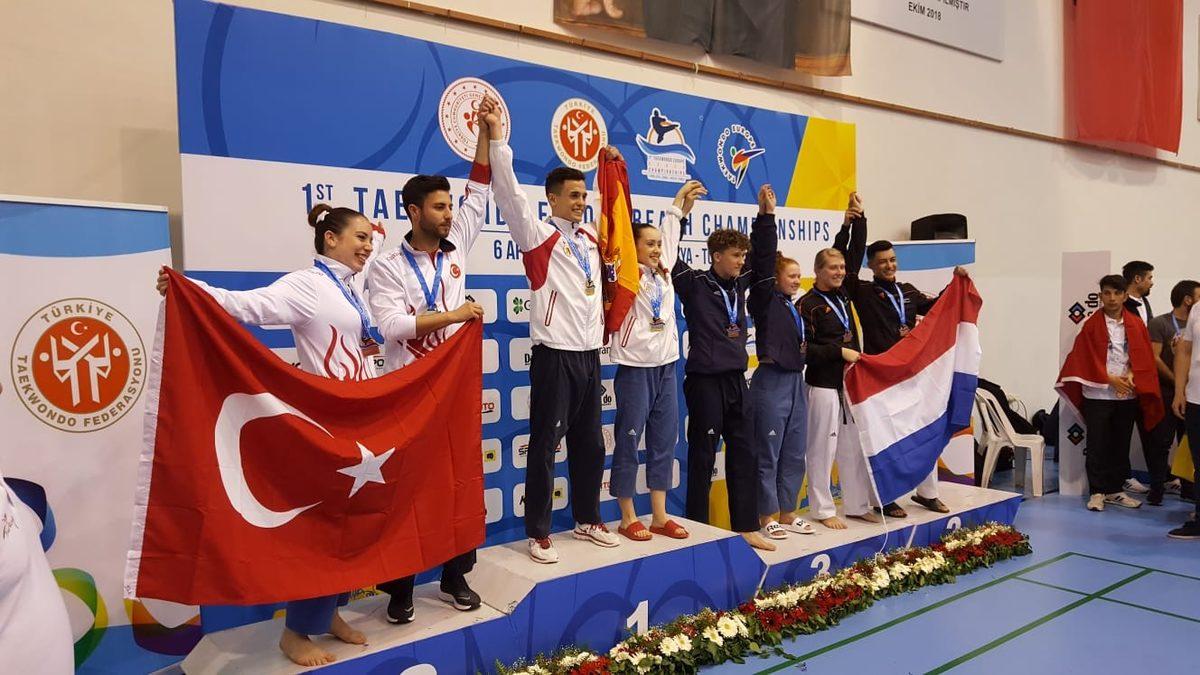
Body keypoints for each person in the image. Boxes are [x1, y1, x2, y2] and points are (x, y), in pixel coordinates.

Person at [156, 203, 383, 666]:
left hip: (356, 421)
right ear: (331, 240)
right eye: (360, 237)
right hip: (326, 426)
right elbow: (249, 305)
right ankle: (296, 631)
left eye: (370, 238)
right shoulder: (307, 285)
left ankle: (328, 612)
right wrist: (189, 288)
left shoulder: (350, 286)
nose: (368, 245)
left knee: (350, 526)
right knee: (324, 531)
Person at [366, 96, 495, 622]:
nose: (449, 214)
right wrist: (456, 315)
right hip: (408, 393)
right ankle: (399, 588)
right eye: (439, 208)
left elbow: (479, 192)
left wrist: (485, 133)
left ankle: (455, 576)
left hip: (454, 392)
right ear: (414, 212)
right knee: (405, 492)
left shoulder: (456, 246)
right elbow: (391, 328)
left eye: (449, 206)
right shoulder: (386, 266)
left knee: (458, 485)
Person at [489, 122, 620, 563]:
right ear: (552, 199)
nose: (581, 203)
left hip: (589, 355)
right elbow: (509, 195)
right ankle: (539, 532)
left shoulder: (591, 238)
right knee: (545, 444)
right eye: (574, 196)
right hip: (555, 355)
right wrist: (498, 141)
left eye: (584, 196)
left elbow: (617, 217)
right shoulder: (537, 236)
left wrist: (612, 171)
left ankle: (587, 520)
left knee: (591, 444)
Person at [835, 194, 968, 514]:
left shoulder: (907, 291)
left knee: (924, 429)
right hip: (880, 377)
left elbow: (937, 307)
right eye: (882, 262)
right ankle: (886, 498)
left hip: (911, 374)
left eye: (892, 260)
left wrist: (957, 283)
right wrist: (856, 223)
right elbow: (845, 265)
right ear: (871, 266)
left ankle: (927, 492)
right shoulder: (863, 291)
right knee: (886, 437)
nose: (889, 265)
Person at [672, 184, 778, 551]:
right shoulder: (695, 284)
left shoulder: (741, 284)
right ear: (716, 256)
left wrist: (765, 217)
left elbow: (764, 260)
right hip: (704, 382)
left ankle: (745, 526)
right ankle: (698, 531)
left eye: (742, 255)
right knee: (702, 457)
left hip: (736, 380)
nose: (741, 261)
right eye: (735, 255)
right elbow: (668, 255)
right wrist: (680, 213)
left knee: (745, 452)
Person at [607, 181, 703, 542]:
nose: (657, 249)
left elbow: (671, 231)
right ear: (632, 247)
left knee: (663, 442)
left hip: (667, 367)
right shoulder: (626, 276)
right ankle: (627, 515)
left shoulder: (664, 269)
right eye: (649, 244)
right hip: (635, 367)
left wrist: (679, 205)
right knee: (629, 440)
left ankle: (660, 516)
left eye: (658, 244)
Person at [1057, 275, 1162, 513]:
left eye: (1117, 293)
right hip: (1098, 394)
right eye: (1107, 293)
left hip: (1126, 394)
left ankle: (1115, 490)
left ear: (1125, 296)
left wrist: (1133, 375)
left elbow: (1143, 356)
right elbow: (1082, 359)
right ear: (1100, 296)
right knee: (1097, 444)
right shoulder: (1089, 324)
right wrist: (1110, 379)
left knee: (1120, 443)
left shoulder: (1136, 324)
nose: (1112, 298)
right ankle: (1097, 492)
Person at [799, 217, 877, 531]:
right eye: (833, 267)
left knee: (853, 446)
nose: (840, 272)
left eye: (842, 267)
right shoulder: (807, 305)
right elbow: (805, 350)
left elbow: (854, 251)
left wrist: (855, 220)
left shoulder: (843, 294)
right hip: (823, 384)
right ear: (817, 271)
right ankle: (822, 509)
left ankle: (857, 505)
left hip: (851, 383)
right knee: (822, 448)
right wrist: (838, 352)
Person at [749, 242, 816, 538]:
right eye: (791, 275)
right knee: (769, 453)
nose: (797, 280)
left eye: (799, 275)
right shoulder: (765, 300)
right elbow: (761, 267)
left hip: (795, 381)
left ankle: (788, 512)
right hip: (771, 381)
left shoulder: (792, 306)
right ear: (774, 278)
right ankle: (766, 515)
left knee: (794, 451)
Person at [1143, 280, 1199, 504]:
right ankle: (1157, 488)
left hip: (1193, 392)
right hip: (1167, 390)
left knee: (1188, 443)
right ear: (1188, 299)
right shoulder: (1160, 323)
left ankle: (1189, 489)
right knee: (1161, 442)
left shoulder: (1195, 321)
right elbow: (1154, 357)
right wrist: (1178, 383)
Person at [1169, 292, 1200, 538]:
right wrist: (1179, 391)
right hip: (1196, 397)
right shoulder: (1197, 310)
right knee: (1198, 462)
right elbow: (1185, 352)